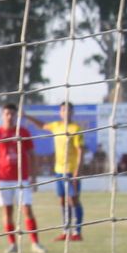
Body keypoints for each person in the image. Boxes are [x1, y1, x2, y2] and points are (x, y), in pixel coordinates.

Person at [0, 103, 45, 253]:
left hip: (22, 178)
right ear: (2, 115)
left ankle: (35, 243)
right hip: (2, 179)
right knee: (7, 211)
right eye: (7, 114)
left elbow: (32, 155)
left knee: (27, 209)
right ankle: (12, 244)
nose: (10, 117)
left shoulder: (23, 132)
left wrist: (34, 177)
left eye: (12, 114)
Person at [39, 102, 86, 241]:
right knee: (62, 201)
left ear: (72, 112)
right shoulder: (56, 126)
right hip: (59, 170)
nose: (66, 112)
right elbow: (42, 125)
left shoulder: (75, 128)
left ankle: (77, 232)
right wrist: (26, 116)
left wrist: (78, 170)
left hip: (71, 171)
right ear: (60, 112)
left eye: (68, 110)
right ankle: (66, 231)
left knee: (74, 200)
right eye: (63, 110)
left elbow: (80, 150)